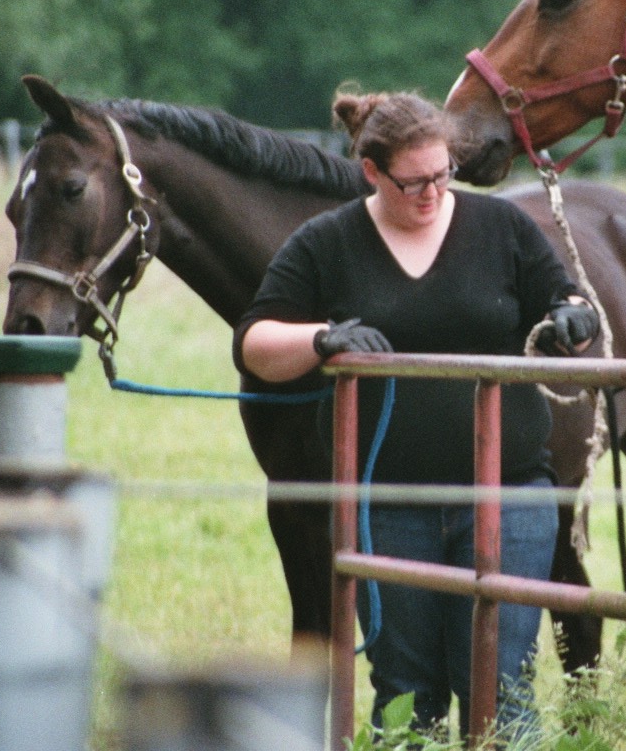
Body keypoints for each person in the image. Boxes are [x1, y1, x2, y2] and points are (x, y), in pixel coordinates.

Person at [233, 89, 600, 739]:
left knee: (499, 686)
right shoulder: (327, 242)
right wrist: (323, 338)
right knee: (406, 691)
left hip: (508, 497)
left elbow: (566, 296)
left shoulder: (504, 229)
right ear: (372, 172)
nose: (431, 193)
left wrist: (572, 314)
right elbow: (256, 341)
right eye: (412, 183)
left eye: (441, 176)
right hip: (387, 504)